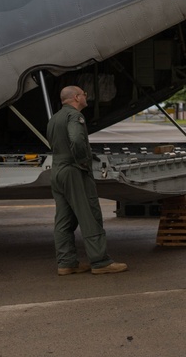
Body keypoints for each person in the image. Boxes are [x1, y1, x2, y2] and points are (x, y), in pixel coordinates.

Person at [47, 86, 128, 276]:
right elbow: (76, 139)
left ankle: (66, 263)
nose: (86, 97)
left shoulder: (55, 118)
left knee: (64, 219)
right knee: (89, 214)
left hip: (57, 170)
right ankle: (100, 261)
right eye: (83, 94)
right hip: (74, 171)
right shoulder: (75, 117)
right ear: (76, 97)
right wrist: (83, 161)